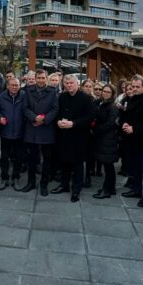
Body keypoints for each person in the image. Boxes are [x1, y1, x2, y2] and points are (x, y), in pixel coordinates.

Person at [50, 74, 93, 203]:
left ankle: (76, 189)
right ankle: (64, 185)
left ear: (77, 83)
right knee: (64, 162)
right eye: (66, 83)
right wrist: (58, 121)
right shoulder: (62, 97)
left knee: (78, 164)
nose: (68, 85)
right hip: (64, 134)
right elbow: (57, 112)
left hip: (79, 136)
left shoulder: (85, 98)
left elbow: (89, 117)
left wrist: (73, 123)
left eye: (71, 83)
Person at [120, 75, 143, 208]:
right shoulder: (131, 100)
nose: (135, 89)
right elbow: (126, 116)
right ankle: (136, 190)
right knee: (135, 167)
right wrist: (125, 124)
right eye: (133, 86)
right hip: (131, 140)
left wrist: (134, 129)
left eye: (137, 87)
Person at [22, 69, 59, 196]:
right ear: (35, 78)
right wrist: (34, 118)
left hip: (46, 129)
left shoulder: (53, 92)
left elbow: (55, 109)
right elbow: (25, 108)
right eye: (39, 78)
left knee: (47, 159)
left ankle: (44, 184)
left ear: (46, 78)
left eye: (43, 78)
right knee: (31, 159)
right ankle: (31, 182)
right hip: (32, 127)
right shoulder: (28, 90)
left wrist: (44, 120)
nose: (41, 80)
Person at [0, 77, 26, 190]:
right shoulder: (1, 96)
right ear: (8, 86)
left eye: (16, 85)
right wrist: (0, 117)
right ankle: (4, 178)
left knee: (19, 158)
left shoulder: (24, 95)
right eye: (12, 85)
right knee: (4, 157)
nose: (14, 87)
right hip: (6, 132)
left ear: (20, 86)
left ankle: (16, 178)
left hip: (20, 132)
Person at [92, 83, 120, 199]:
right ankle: (111, 188)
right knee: (108, 165)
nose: (105, 93)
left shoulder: (112, 107)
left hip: (108, 138)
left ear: (112, 94)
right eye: (104, 91)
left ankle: (106, 190)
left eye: (108, 92)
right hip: (102, 138)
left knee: (108, 165)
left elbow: (110, 123)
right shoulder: (101, 104)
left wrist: (96, 129)